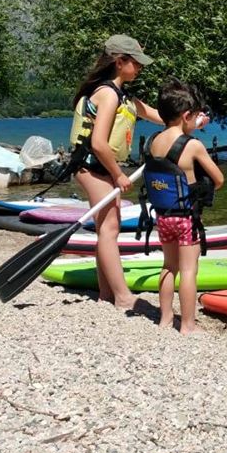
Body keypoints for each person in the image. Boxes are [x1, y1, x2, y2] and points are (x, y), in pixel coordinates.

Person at [69, 34, 163, 310]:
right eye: (137, 63)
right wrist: (118, 174)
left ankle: (106, 293)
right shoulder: (108, 94)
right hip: (92, 167)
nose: (141, 68)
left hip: (100, 168)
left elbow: (158, 115)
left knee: (106, 229)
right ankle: (122, 297)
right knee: (110, 229)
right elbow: (98, 143)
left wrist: (189, 120)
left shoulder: (123, 96)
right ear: (120, 62)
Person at [142, 80, 223, 332]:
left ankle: (165, 318)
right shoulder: (193, 146)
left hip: (163, 217)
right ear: (186, 115)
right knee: (189, 270)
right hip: (187, 219)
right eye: (195, 116)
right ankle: (187, 324)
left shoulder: (153, 141)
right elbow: (219, 179)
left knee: (169, 266)